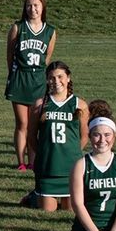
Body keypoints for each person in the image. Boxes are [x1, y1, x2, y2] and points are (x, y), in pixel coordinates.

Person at [4, 0, 55, 172]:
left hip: (38, 81)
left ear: (42, 8)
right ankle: (21, 162)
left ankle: (33, 162)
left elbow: (47, 57)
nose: (32, 9)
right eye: (29, 6)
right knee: (22, 124)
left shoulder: (50, 31)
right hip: (20, 79)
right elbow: (10, 54)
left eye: (36, 5)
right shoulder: (18, 28)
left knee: (35, 125)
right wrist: (14, 74)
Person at [27, 62, 86, 212]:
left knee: (70, 210)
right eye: (52, 78)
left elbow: (85, 136)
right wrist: (44, 153)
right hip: (48, 167)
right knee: (48, 211)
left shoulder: (79, 105)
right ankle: (33, 198)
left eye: (60, 77)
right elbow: (31, 136)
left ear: (68, 78)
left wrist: (71, 152)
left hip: (71, 167)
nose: (56, 81)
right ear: (47, 80)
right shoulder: (40, 104)